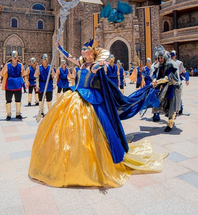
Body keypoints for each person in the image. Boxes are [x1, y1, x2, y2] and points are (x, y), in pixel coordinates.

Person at [29, 38, 165, 188]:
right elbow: (69, 57)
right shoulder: (81, 63)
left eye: (85, 49)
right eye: (82, 49)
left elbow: (98, 71)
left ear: (92, 52)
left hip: (88, 98)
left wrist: (102, 64)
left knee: (94, 127)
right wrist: (59, 47)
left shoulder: (94, 66)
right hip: (74, 95)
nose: (82, 51)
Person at [148, 47, 184, 132]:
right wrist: (154, 80)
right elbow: (156, 75)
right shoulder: (161, 65)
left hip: (174, 88)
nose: (160, 60)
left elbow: (169, 77)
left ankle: (170, 124)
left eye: (161, 58)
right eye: (159, 58)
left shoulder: (171, 64)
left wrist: (158, 81)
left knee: (172, 105)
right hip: (166, 87)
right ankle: (168, 117)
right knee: (166, 104)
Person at [0, 51, 26, 120]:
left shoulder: (20, 65)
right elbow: (3, 73)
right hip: (9, 85)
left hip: (18, 85)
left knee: (18, 100)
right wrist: (0, 80)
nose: (15, 58)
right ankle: (8, 114)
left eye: (16, 56)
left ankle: (18, 113)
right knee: (8, 100)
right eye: (14, 56)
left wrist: (26, 82)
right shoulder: (7, 65)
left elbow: (24, 74)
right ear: (11, 57)